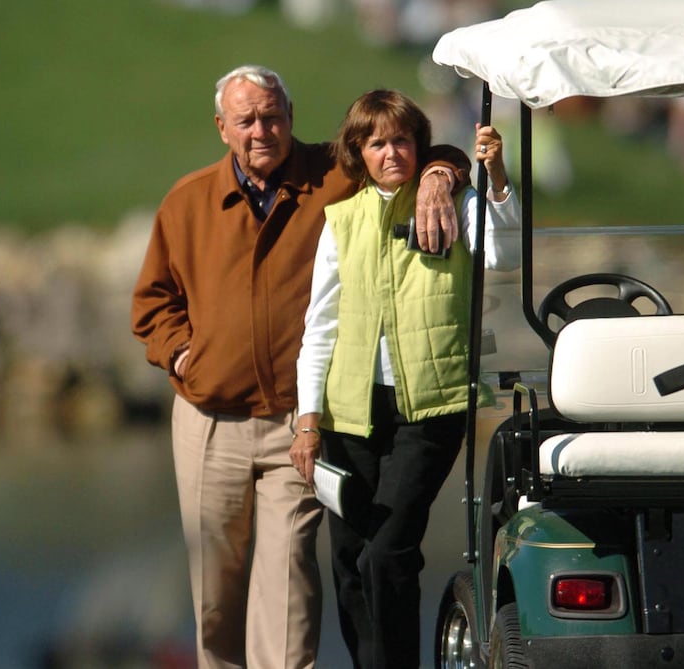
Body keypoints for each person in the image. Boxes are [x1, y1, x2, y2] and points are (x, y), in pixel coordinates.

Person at [130, 65, 468, 669]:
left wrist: (443, 171)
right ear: (222, 128)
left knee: (290, 583)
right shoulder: (187, 201)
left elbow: (408, 147)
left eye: (273, 116)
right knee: (216, 593)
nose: (262, 130)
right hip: (209, 422)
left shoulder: (333, 174)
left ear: (290, 117)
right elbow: (152, 303)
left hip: (298, 421)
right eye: (247, 120)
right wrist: (185, 353)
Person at [292, 89, 520, 668]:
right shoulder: (341, 221)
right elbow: (319, 325)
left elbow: (501, 254)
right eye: (376, 143)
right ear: (358, 153)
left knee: (386, 553)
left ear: (419, 146)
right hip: (348, 412)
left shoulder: (454, 197)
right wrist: (307, 420)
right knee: (348, 562)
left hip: (431, 408)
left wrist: (495, 178)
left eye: (401, 140)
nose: (391, 152)